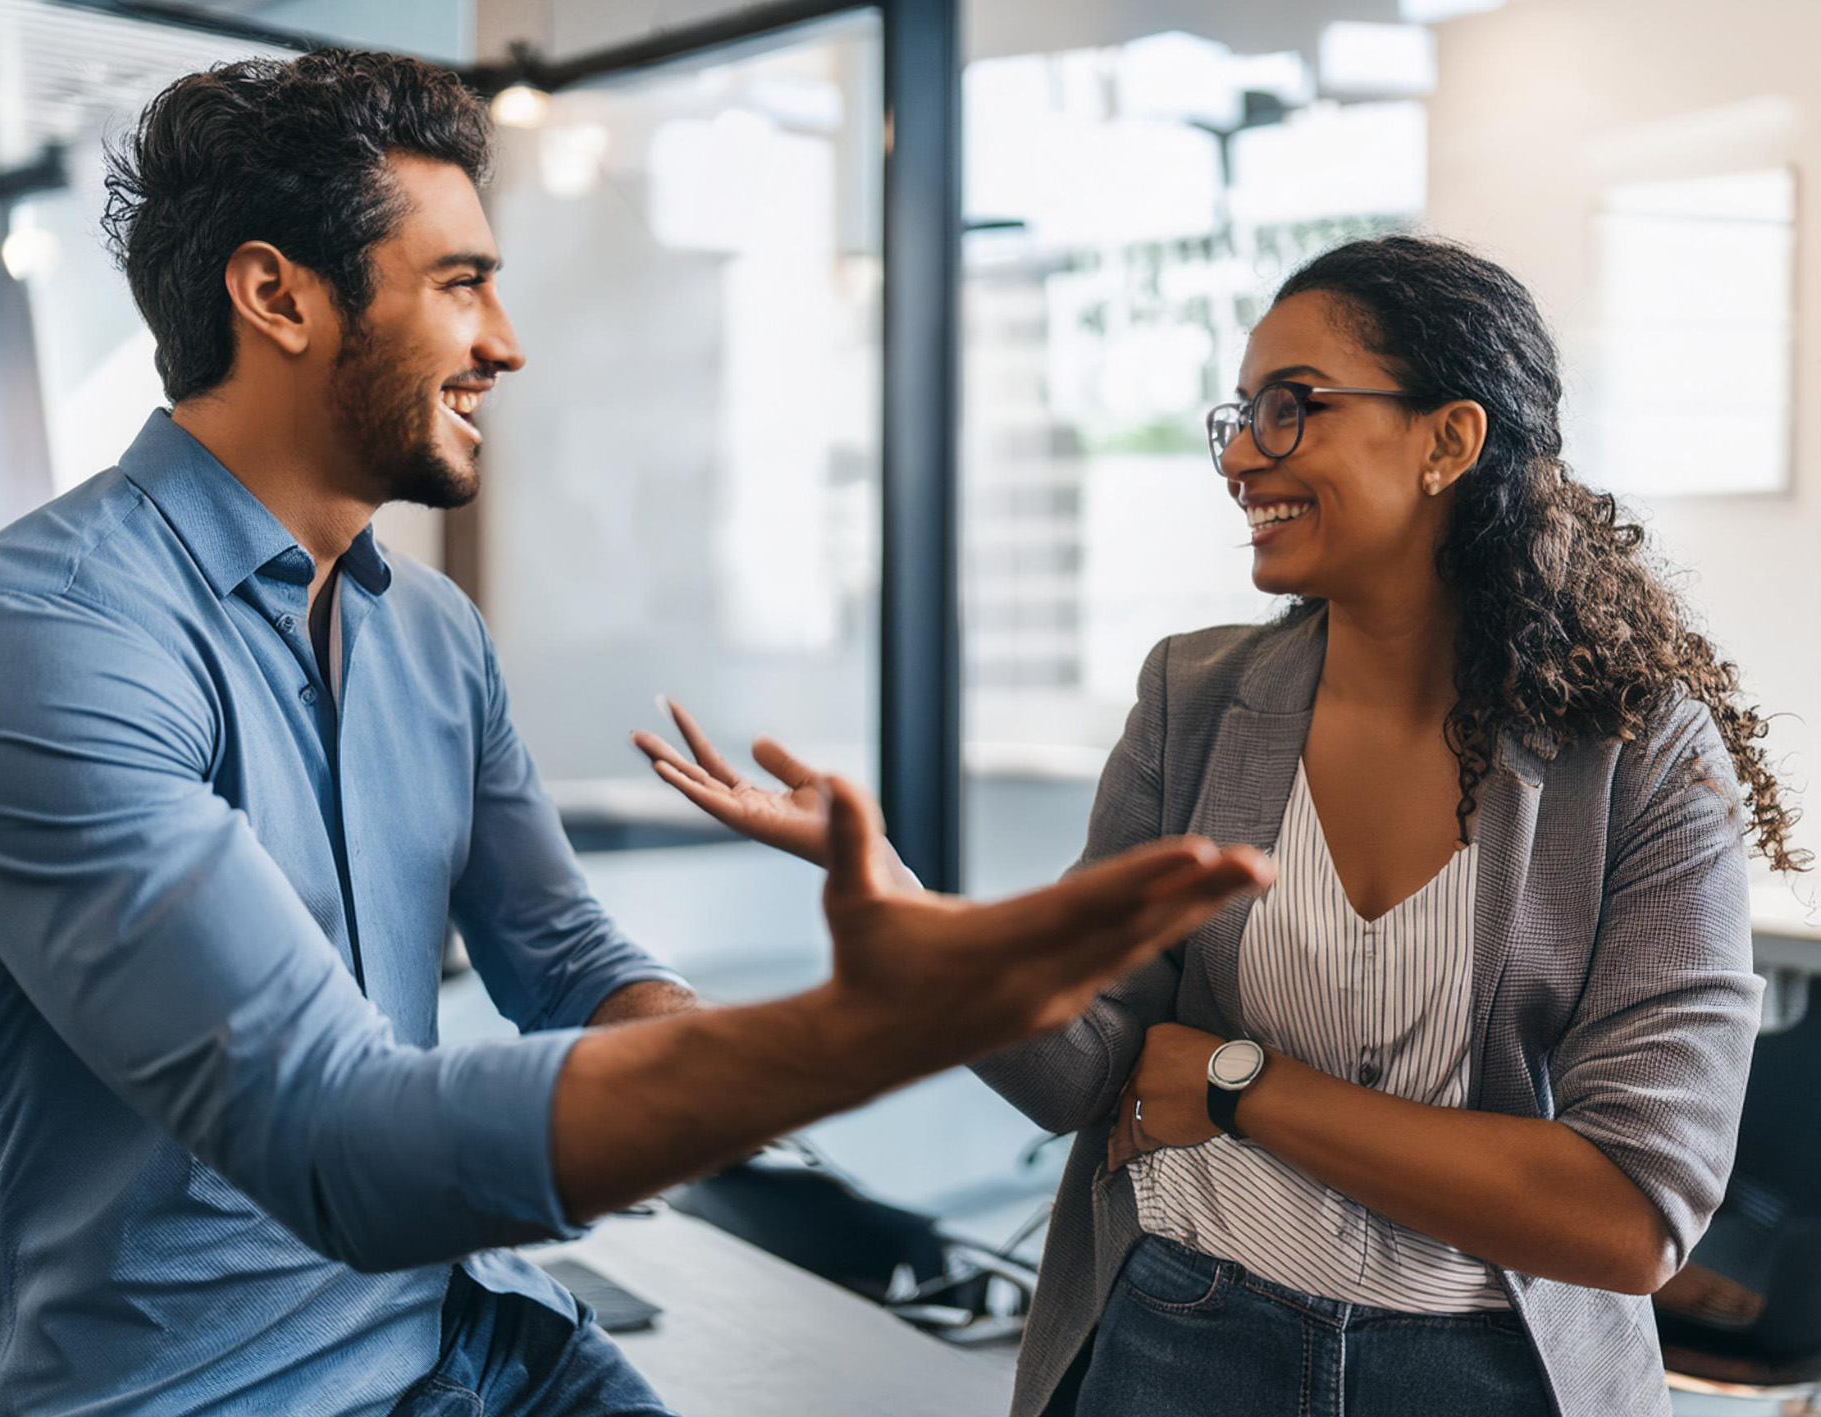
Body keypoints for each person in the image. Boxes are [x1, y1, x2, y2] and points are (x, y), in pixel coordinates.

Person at [0, 51, 1277, 1417]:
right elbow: (329, 1136)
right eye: (460, 283)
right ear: (278, 295)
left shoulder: (431, 636)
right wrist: (856, 1032)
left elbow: (564, 961)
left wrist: (727, 1035)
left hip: (451, 1345)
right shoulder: (47, 639)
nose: (505, 341)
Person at [640, 235, 1803, 1417]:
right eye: (1238, 415)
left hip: (1490, 1375)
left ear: (1449, 440)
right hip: (1184, 1338)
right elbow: (1090, 1064)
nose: (1243, 455)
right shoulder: (1194, 699)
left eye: (1292, 408)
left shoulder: (1641, 759)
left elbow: (1627, 1211)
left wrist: (1239, 1083)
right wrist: (899, 902)